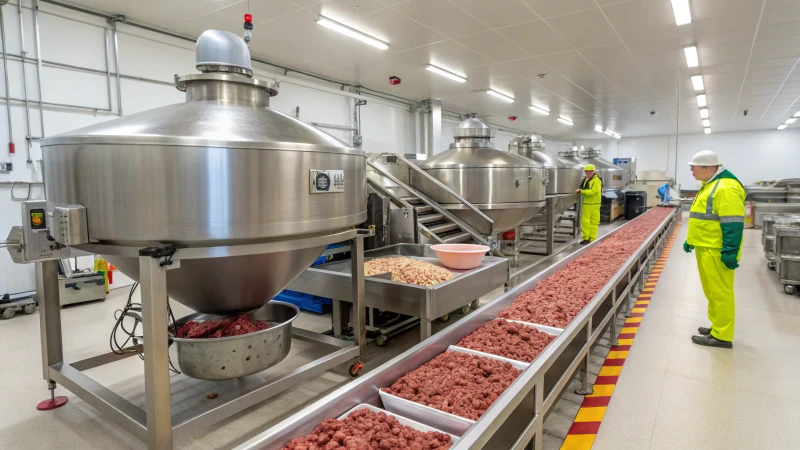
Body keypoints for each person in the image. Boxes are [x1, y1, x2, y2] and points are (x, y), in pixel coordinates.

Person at [683, 150, 745, 349]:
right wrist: (691, 239)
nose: (691, 170)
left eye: (694, 166)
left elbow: (733, 223)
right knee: (712, 291)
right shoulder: (709, 185)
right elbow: (704, 217)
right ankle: (716, 326)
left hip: (717, 250)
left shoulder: (725, 188)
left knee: (721, 292)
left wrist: (730, 251)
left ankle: (722, 336)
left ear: (707, 167)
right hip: (705, 246)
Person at [576, 164, 602, 245]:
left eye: (587, 171)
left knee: (591, 222)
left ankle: (590, 239)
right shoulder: (588, 179)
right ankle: (587, 238)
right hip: (589, 203)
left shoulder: (596, 180)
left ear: (592, 171)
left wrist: (581, 191)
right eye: (585, 171)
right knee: (588, 222)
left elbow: (594, 191)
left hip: (591, 203)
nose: (586, 173)